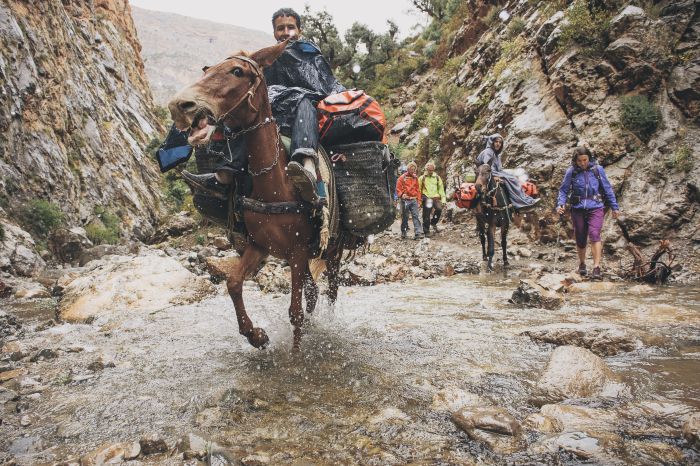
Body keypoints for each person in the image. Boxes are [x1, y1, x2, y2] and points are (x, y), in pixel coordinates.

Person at [182, 7, 345, 204]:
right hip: (274, 113)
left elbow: (328, 86)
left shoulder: (311, 56)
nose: (286, 32)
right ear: (274, 32)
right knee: (248, 115)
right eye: (280, 28)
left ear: (299, 30)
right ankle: (226, 177)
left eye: (291, 27)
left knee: (303, 100)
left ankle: (307, 164)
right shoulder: (267, 59)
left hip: (306, 111)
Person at [556, 147, 620, 280]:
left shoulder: (597, 170)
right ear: (575, 160)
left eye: (585, 160)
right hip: (577, 208)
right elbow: (563, 190)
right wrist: (560, 204)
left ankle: (596, 267)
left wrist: (614, 207)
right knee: (580, 236)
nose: (583, 163)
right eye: (579, 161)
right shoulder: (571, 172)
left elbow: (607, 189)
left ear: (589, 158)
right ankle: (582, 264)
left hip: (596, 207)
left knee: (595, 234)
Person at [475, 134, 539, 211]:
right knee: (512, 180)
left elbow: (499, 168)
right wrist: (494, 176)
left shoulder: (495, 154)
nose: (498, 144)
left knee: (514, 177)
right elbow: (486, 168)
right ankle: (519, 202)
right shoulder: (488, 152)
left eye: (500, 142)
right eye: (496, 142)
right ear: (492, 142)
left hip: (495, 172)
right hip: (488, 174)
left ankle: (524, 199)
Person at [396, 162, 424, 240]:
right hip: (405, 200)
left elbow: (417, 190)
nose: (412, 170)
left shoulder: (415, 178)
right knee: (405, 217)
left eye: (414, 169)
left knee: (416, 216)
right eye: (411, 169)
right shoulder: (402, 178)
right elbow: (398, 188)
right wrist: (401, 195)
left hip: (414, 199)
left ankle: (418, 233)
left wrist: (419, 201)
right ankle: (404, 232)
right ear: (408, 169)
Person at [418, 161, 446, 236]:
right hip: (426, 197)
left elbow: (441, 189)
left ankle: (433, 223)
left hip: (435, 197)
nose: (430, 171)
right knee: (426, 214)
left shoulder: (437, 177)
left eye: (432, 170)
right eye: (429, 170)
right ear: (426, 169)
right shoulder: (422, 178)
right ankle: (426, 231)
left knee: (439, 209)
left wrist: (443, 199)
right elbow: (418, 190)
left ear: (434, 169)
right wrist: (419, 201)